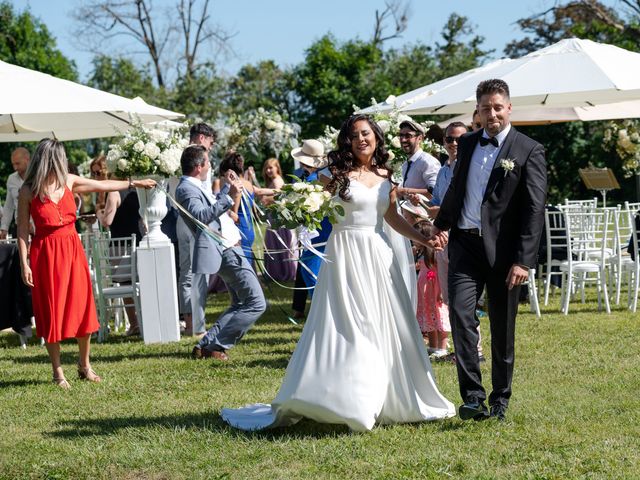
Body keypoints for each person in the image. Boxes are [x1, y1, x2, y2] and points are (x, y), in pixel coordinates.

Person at [221, 114, 455, 432]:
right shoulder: (334, 175)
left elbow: (390, 217)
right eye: (355, 135)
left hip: (377, 255)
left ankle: (383, 395)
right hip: (345, 254)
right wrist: (282, 200)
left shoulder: (386, 174)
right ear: (348, 141)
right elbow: (307, 198)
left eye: (367, 134)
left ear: (376, 138)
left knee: (382, 324)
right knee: (349, 324)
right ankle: (351, 400)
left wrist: (421, 236)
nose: (362, 139)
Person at [431, 79, 547, 421]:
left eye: (498, 107)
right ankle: (472, 397)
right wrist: (439, 226)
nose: (492, 113)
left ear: (509, 108)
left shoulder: (529, 150)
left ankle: (500, 399)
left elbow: (534, 209)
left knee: (502, 327)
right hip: (465, 245)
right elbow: (457, 189)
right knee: (461, 317)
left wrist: (523, 260)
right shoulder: (466, 143)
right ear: (477, 111)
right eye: (485, 108)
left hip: (506, 254)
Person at [17, 138, 155, 388]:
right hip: (45, 254)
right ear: (49, 159)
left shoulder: (69, 181)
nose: (63, 163)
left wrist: (135, 183)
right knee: (51, 310)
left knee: (82, 307)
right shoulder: (28, 191)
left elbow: (102, 184)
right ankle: (58, 372)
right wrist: (24, 262)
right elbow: (23, 231)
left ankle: (84, 365)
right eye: (59, 158)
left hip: (72, 250)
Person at [175, 145, 266, 361]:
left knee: (240, 303)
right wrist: (229, 197)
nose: (210, 166)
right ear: (198, 166)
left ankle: (206, 343)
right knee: (256, 302)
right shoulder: (186, 189)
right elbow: (201, 216)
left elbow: (211, 205)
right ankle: (216, 344)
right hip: (225, 249)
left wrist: (227, 188)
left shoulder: (195, 185)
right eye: (207, 162)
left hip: (228, 246)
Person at [176, 122, 216, 336]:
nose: (211, 146)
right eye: (210, 141)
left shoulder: (183, 154)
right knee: (193, 272)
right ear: (202, 137)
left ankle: (194, 321)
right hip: (192, 217)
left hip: (192, 216)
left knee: (191, 271)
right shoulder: (193, 158)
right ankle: (193, 323)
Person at [289, 139, 333, 319]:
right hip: (312, 230)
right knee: (309, 271)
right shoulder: (308, 177)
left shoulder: (318, 179)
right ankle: (320, 311)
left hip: (319, 230)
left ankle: (323, 312)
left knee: (312, 272)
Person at [96, 184, 145, 336]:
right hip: (140, 243)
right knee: (140, 284)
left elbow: (107, 221)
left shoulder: (114, 192)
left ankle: (134, 323)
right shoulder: (139, 190)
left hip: (120, 245)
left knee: (125, 284)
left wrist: (99, 214)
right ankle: (144, 321)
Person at [414, 221, 450, 359]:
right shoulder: (421, 253)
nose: (413, 241)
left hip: (435, 289)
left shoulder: (435, 253)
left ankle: (442, 347)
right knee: (428, 316)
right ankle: (433, 346)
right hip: (425, 292)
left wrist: (441, 291)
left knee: (439, 316)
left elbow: (440, 271)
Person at [260, 158, 297, 282]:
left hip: (278, 217)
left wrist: (267, 199)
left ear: (277, 168)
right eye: (267, 168)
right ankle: (277, 271)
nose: (268, 170)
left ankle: (282, 272)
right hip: (274, 216)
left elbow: (281, 197)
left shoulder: (277, 181)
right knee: (273, 243)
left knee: (278, 243)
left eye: (271, 167)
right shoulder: (273, 181)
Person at [218, 152, 256, 265]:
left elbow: (234, 214)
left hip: (240, 229)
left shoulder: (237, 186)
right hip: (248, 226)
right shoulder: (248, 183)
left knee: (242, 264)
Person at [396, 120, 440, 201]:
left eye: (408, 136)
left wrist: (404, 191)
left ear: (419, 138)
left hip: (423, 212)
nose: (403, 140)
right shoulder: (406, 163)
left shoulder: (428, 162)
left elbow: (434, 192)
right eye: (401, 135)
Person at [1, 147, 30, 239]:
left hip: (38, 227)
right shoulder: (11, 179)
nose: (15, 167)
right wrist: (4, 227)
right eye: (13, 164)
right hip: (19, 227)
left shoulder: (39, 177)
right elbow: (8, 206)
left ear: (27, 160)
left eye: (17, 163)